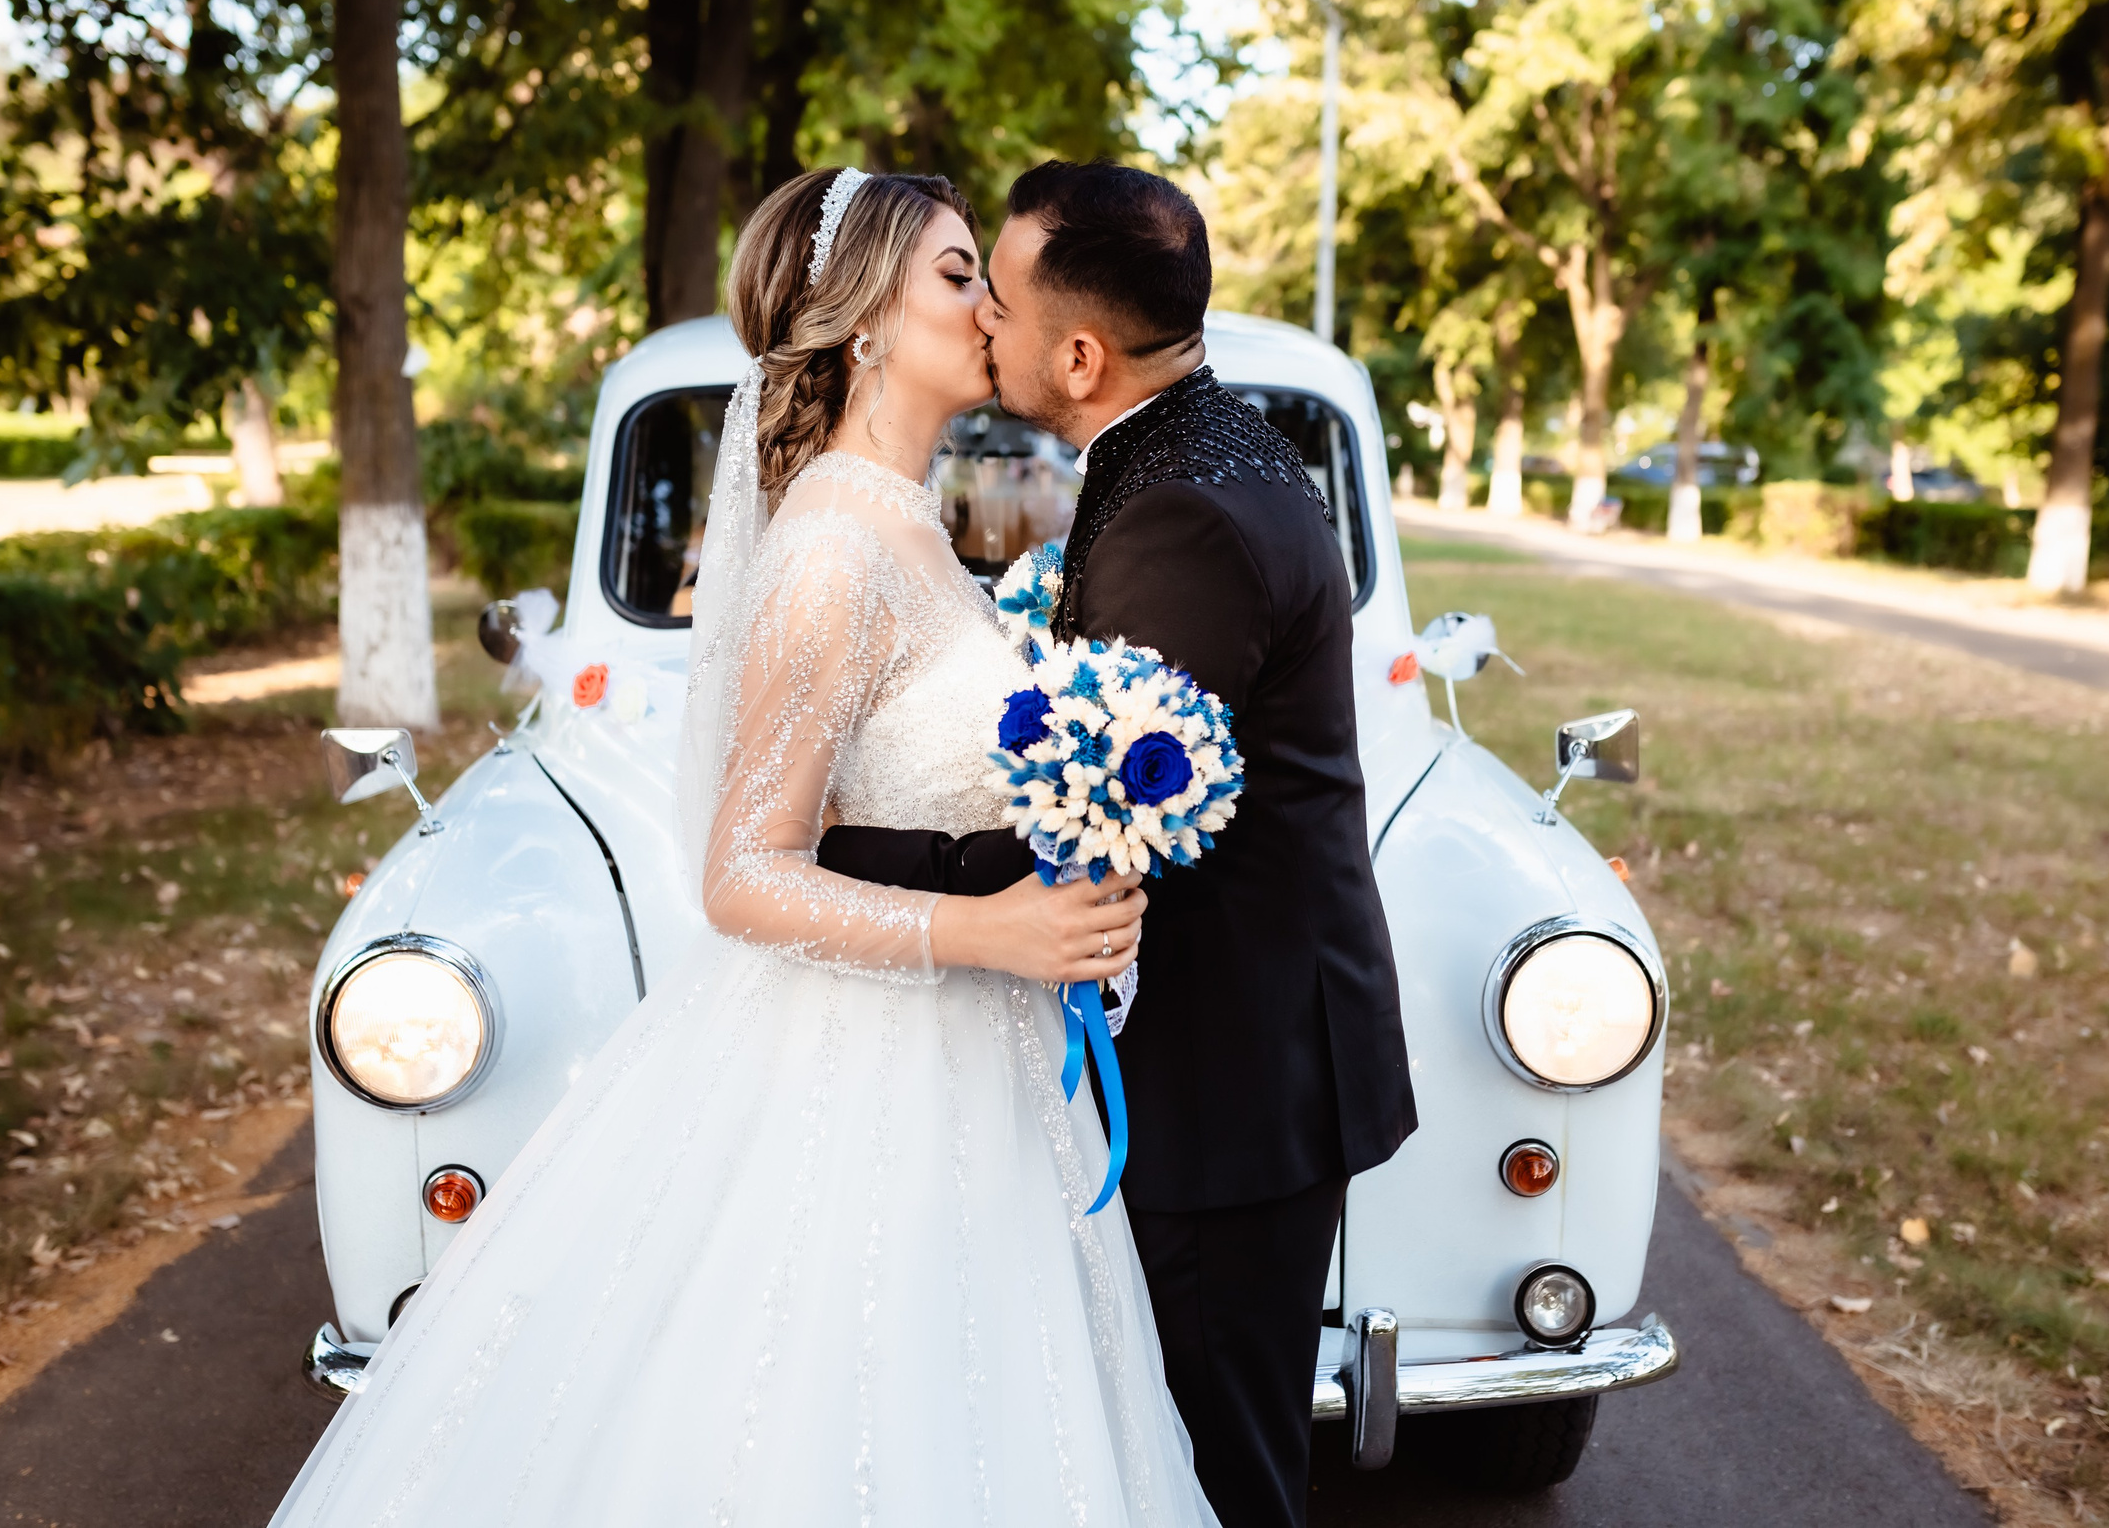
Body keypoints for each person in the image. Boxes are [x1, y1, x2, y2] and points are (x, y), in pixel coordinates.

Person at [263, 168, 1219, 1528]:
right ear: (866, 320)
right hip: (878, 1064)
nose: (994, 301)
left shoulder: (912, 531)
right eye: (960, 274)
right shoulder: (834, 543)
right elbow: (741, 871)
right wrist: (983, 929)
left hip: (984, 1065)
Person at [818, 161, 1418, 1528]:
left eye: (1000, 297)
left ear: (1078, 354)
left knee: (1215, 1464)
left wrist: (837, 859)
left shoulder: (1180, 515)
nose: (982, 322)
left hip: (1228, 1082)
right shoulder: (1194, 448)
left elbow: (1091, 826)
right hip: (1249, 1051)